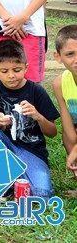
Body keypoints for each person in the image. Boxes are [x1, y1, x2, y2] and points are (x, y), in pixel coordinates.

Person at [0, 40, 59, 197]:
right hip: (6, 148)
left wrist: (38, 117)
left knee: (42, 194)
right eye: (4, 71)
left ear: (26, 67)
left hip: (32, 151)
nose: (11, 75)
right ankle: (2, 184)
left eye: (17, 69)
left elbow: (53, 132)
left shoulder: (36, 91)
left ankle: (23, 176)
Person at [54, 25, 77, 171]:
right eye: (70, 54)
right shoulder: (59, 83)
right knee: (68, 136)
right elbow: (67, 124)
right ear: (58, 57)